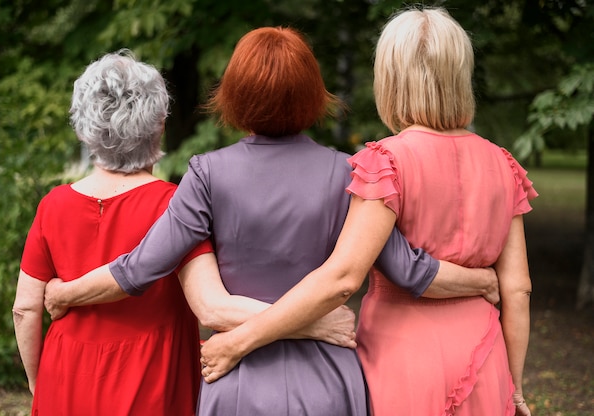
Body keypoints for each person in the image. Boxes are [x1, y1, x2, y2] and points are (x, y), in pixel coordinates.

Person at [44, 27, 500, 415]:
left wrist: (67, 291)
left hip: (237, 379)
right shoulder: (351, 171)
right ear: (312, 94)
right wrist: (483, 279)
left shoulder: (206, 174)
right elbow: (409, 270)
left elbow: (139, 267)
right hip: (329, 379)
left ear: (235, 94)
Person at [198, 9, 537, 416]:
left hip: (404, 357)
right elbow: (518, 289)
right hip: (485, 355)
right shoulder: (503, 164)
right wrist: (514, 387)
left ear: (390, 79)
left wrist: (238, 340)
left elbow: (342, 278)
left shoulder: (386, 161)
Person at [11, 50, 218, 415]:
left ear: (82, 128)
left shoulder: (53, 205)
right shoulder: (176, 206)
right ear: (159, 125)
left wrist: (36, 381)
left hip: (65, 378)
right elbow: (208, 302)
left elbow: (26, 308)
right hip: (153, 382)